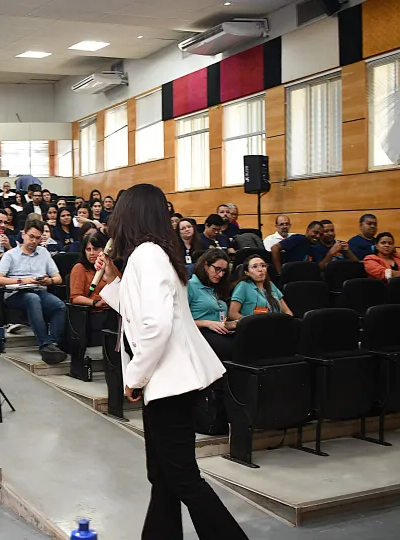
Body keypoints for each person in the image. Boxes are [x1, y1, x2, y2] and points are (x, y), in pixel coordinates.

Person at [94, 185, 245, 540]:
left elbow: (157, 325)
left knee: (181, 478)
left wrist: (134, 376)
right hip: (170, 381)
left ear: (132, 214)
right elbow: (144, 312)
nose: (113, 220)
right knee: (162, 474)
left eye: (118, 212)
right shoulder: (153, 253)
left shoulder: (149, 255)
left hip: (171, 382)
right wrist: (115, 278)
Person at [0, 216, 66, 364]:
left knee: (59, 306)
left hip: (38, 289)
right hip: (16, 293)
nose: (34, 241)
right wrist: (21, 280)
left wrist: (48, 280)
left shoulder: (43, 253)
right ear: (23, 234)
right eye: (31, 237)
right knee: (33, 299)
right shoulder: (11, 255)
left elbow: (58, 278)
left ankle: (53, 344)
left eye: (38, 238)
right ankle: (44, 344)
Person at [187, 249, 236, 361]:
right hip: (199, 334)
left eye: (224, 271)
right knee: (233, 349)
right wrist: (207, 323)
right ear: (205, 266)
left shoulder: (216, 288)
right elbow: (179, 321)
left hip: (219, 333)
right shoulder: (190, 286)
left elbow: (219, 320)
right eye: (217, 269)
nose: (220, 275)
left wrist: (233, 324)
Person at [229, 255, 292, 320]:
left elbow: (287, 312)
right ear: (247, 272)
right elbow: (232, 314)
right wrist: (250, 322)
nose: (260, 269)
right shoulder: (243, 286)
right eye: (254, 267)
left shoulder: (270, 285)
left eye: (263, 266)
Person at [69, 231, 110, 311]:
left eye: (95, 249)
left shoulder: (109, 267)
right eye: (88, 249)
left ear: (103, 250)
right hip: (93, 312)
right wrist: (94, 302)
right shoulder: (79, 268)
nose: (91, 253)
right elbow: (75, 298)